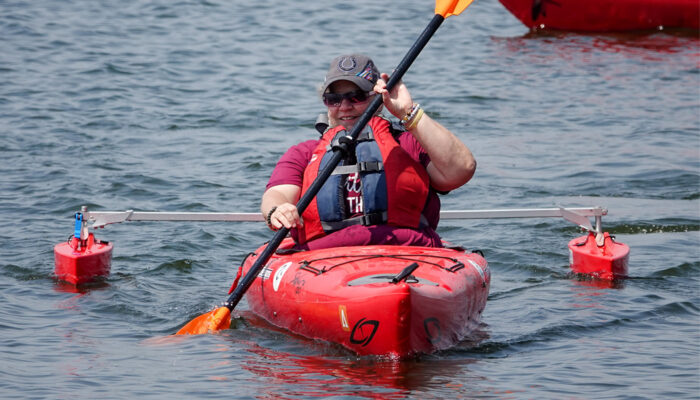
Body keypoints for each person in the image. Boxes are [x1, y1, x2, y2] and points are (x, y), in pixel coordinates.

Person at [261, 54, 475, 250]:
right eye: (334, 99)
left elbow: (461, 171)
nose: (344, 106)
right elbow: (277, 194)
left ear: (378, 98)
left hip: (408, 251)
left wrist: (408, 113)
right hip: (324, 259)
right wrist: (278, 210)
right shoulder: (305, 153)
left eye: (356, 97)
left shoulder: (408, 143)